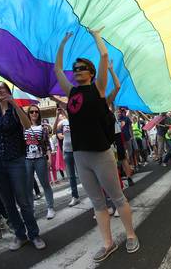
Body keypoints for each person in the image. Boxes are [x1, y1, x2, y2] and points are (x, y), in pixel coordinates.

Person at [54, 28, 139, 262]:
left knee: (117, 197)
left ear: (90, 73)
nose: (77, 71)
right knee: (97, 202)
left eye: (82, 68)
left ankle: (131, 235)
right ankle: (108, 243)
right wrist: (62, 44)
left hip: (101, 153)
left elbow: (103, 57)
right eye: (76, 68)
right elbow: (58, 69)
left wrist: (96, 35)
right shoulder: (71, 92)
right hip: (80, 155)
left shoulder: (98, 88)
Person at [0, 69, 46, 250]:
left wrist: (13, 103)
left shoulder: (16, 110)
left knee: (23, 200)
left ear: (8, 91)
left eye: (2, 88)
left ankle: (34, 234)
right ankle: (20, 235)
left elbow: (27, 125)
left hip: (16, 160)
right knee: (7, 202)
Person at [24, 105, 55, 219]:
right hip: (27, 159)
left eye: (36, 112)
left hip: (40, 158)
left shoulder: (43, 128)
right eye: (31, 112)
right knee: (28, 186)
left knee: (45, 183)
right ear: (28, 114)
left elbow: (47, 145)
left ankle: (50, 207)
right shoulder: (23, 127)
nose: (34, 114)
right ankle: (31, 210)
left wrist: (49, 158)